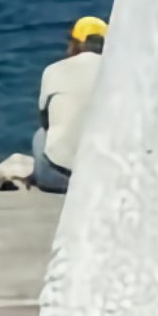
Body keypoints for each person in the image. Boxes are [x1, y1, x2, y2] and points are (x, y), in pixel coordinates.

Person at [33, 15, 109, 193]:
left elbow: (45, 123)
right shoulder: (122, 71)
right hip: (104, 177)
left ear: (74, 44)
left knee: (40, 136)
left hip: (59, 177)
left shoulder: (53, 71)